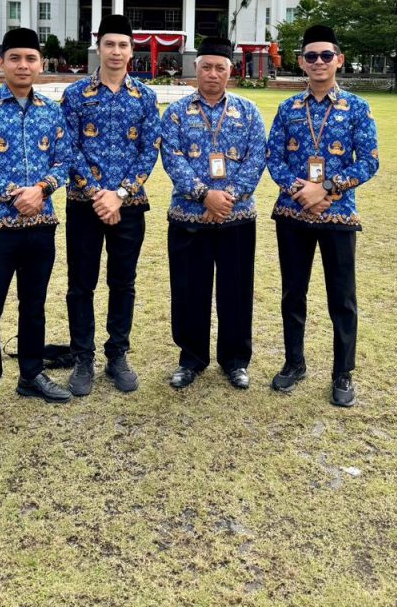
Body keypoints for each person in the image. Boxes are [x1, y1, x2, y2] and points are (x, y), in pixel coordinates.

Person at [0, 27, 73, 433]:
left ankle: (31, 374)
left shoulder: (51, 110)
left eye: (30, 59)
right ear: (1, 63)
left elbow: (63, 160)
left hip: (40, 224)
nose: (23, 66)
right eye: (15, 58)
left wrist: (41, 190)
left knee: (34, 304)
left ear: (40, 64)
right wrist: (13, 194)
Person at [266, 24, 379, 407]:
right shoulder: (288, 108)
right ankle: (294, 363)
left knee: (342, 298)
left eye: (326, 55)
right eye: (311, 56)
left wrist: (327, 189)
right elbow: (273, 158)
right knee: (292, 294)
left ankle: (342, 372)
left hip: (338, 214)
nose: (319, 62)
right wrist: (302, 192)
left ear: (339, 60)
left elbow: (369, 161)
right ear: (301, 62)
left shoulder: (357, 107)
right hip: (293, 213)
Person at [60, 14, 161, 396]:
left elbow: (149, 149)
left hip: (129, 205)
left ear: (131, 51)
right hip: (83, 203)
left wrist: (119, 193)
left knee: (123, 282)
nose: (116, 52)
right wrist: (97, 194)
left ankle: (117, 354)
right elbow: (68, 147)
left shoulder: (145, 97)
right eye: (109, 44)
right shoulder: (76, 95)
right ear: (98, 47)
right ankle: (83, 357)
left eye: (122, 45)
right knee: (80, 283)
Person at [160, 37, 267, 391]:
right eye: (206, 66)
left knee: (236, 290)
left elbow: (256, 158)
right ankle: (191, 358)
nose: (212, 73)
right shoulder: (176, 113)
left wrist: (226, 200)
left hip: (237, 218)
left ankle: (235, 360)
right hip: (189, 216)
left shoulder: (248, 111)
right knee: (189, 289)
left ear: (230, 71)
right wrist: (206, 196)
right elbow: (172, 158)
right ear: (196, 68)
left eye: (220, 67)